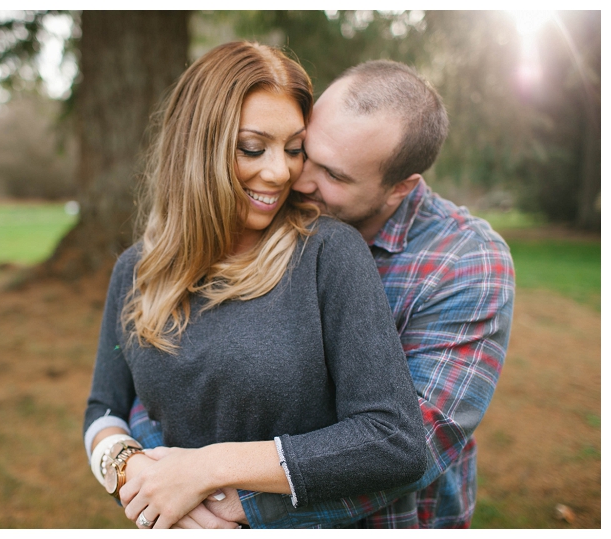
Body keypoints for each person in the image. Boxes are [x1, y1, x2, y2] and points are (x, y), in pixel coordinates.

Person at [129, 59, 516, 528]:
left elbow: (412, 446)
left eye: (334, 176)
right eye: (303, 151)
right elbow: (176, 369)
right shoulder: (269, 226)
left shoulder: (465, 263)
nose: (296, 177)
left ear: (399, 189)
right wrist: (151, 469)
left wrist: (226, 501)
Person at [83, 42, 428, 530]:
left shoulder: (329, 254)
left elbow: (393, 440)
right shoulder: (138, 270)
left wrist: (206, 469)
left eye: (293, 150)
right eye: (252, 147)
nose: (280, 172)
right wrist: (133, 474)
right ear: (197, 146)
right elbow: (103, 409)